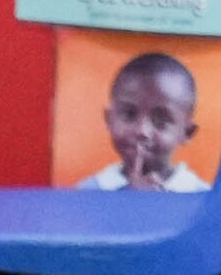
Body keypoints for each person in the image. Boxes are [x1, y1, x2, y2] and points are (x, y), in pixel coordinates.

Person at [80, 49, 210, 188]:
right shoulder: (90, 191)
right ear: (109, 119)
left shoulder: (200, 195)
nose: (142, 131)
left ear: (187, 133)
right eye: (129, 114)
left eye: (161, 121)